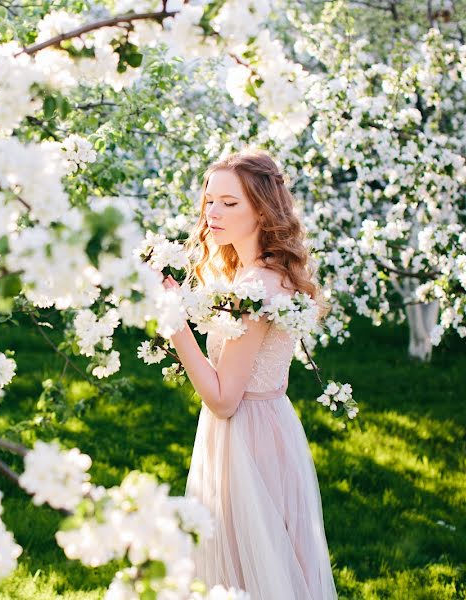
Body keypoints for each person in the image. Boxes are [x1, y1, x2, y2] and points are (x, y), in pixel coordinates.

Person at [161, 150, 338, 599]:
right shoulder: (256, 274)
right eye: (209, 201)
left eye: (230, 203)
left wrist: (174, 322)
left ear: (261, 209)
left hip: (248, 441)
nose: (213, 213)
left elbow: (223, 399)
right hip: (265, 428)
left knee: (254, 573)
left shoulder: (255, 287)